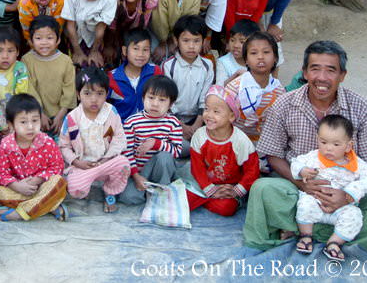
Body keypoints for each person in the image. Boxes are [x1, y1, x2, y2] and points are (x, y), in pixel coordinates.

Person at [243, 41, 367, 263]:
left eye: (331, 70)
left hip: (347, 197)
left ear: (342, 75)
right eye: (315, 68)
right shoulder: (283, 104)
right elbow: (273, 155)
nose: (322, 77)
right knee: (263, 190)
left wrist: (347, 195)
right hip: (298, 190)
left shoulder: (363, 108)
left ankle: (302, 231)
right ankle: (336, 235)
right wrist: (301, 183)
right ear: (304, 72)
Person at [290, 115, 367, 261]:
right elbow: (295, 162)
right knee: (305, 204)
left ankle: (334, 243)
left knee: (354, 215)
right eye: (323, 142)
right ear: (317, 139)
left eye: (336, 144)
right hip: (316, 202)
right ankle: (306, 236)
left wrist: (353, 190)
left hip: (342, 208)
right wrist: (302, 170)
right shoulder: (313, 157)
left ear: (348, 145)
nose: (328, 148)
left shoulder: (357, 165)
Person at [60, 67, 130, 212]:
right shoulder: (72, 118)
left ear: (106, 94)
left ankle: (110, 193)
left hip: (106, 163)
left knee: (123, 163)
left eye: (100, 94)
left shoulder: (111, 112)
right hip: (83, 165)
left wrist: (106, 159)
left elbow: (119, 137)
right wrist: (77, 162)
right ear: (78, 95)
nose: (94, 99)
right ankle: (86, 182)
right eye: (87, 93)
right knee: (75, 189)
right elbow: (64, 145)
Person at [0, 94, 68, 221]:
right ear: (11, 124)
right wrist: (17, 186)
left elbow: (57, 167)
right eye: (23, 122)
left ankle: (21, 213)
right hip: (20, 190)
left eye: (34, 120)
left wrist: (37, 180)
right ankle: (49, 205)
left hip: (43, 186)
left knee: (59, 182)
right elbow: (1, 174)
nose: (30, 127)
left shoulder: (47, 142)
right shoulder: (5, 146)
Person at [187, 85, 260, 216]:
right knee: (186, 197)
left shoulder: (240, 140)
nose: (208, 115)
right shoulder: (199, 136)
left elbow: (252, 170)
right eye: (206, 109)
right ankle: (207, 198)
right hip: (206, 183)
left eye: (216, 111)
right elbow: (197, 168)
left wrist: (236, 190)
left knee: (226, 208)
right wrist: (210, 190)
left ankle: (210, 200)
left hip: (230, 186)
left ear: (231, 116)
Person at [119, 76, 182, 205]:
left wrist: (156, 143)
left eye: (162, 100)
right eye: (151, 98)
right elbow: (127, 152)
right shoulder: (132, 122)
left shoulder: (173, 123)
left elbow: (176, 152)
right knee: (128, 198)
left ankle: (161, 188)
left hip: (162, 170)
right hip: (140, 172)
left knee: (164, 157)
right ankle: (148, 190)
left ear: (171, 104)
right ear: (143, 98)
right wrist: (136, 176)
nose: (155, 103)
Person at [0, 27, 38, 152]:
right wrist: (2, 125)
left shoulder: (20, 68)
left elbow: (20, 98)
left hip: (15, 121)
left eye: (10, 51)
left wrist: (13, 125)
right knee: (0, 147)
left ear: (17, 52)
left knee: (28, 144)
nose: (5, 56)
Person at [162, 15, 214, 153]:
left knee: (210, 146)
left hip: (199, 120)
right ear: (176, 40)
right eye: (186, 40)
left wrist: (197, 124)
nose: (191, 46)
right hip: (174, 121)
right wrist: (182, 127)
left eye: (196, 41)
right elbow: (166, 101)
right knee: (184, 148)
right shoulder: (169, 66)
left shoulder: (207, 65)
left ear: (203, 41)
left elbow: (206, 98)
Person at [223, 31, 284, 143]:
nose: (260, 57)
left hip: (265, 143)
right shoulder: (235, 88)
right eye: (254, 53)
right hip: (234, 141)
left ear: (275, 58)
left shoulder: (278, 89)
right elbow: (223, 119)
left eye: (266, 52)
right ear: (246, 60)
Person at [21, 16, 75, 134]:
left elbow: (69, 89)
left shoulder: (66, 61)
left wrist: (61, 115)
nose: (44, 42)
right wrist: (39, 113)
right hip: (34, 114)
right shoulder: (26, 60)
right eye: (39, 38)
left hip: (61, 114)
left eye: (49, 38)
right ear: (31, 41)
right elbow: (29, 89)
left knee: (63, 144)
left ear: (58, 40)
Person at [62, 0, 117, 67]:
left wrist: (94, 51)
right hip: (74, 38)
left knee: (94, 66)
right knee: (75, 66)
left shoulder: (110, 0)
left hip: (95, 40)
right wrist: (77, 51)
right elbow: (70, 25)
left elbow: (100, 29)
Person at [104, 0, 157, 66]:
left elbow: (142, 27)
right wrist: (109, 46)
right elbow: (110, 25)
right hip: (109, 33)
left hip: (134, 32)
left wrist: (130, 49)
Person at [107, 29, 161, 122]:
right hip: (122, 130)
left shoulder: (155, 72)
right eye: (135, 49)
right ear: (124, 50)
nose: (140, 54)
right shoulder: (112, 77)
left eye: (145, 49)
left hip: (150, 127)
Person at [215, 19, 259, 86]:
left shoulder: (259, 62)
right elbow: (219, 88)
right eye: (232, 40)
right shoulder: (223, 62)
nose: (235, 45)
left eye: (242, 42)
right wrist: (236, 76)